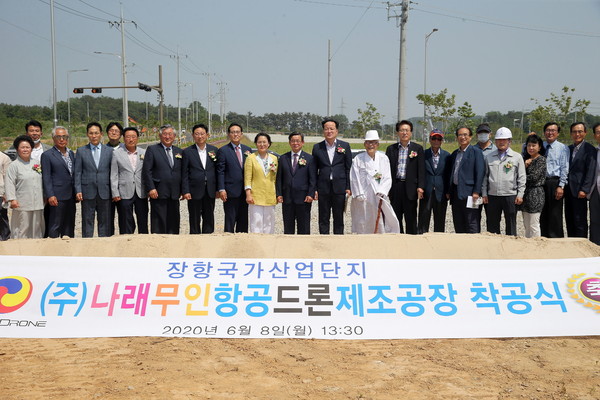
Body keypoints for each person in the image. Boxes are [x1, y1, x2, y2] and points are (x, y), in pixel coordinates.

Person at [350, 130, 400, 234]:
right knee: (363, 220)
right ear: (364, 144)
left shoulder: (383, 158)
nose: (371, 145)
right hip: (363, 196)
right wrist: (358, 193)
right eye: (368, 142)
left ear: (377, 144)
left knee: (380, 221)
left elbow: (387, 177)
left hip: (378, 195)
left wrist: (382, 190)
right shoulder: (358, 159)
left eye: (373, 142)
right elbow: (354, 178)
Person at [481, 127, 526, 236]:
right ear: (495, 141)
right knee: (492, 224)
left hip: (510, 195)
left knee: (511, 223)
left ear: (509, 141)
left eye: (504, 139)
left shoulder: (517, 157)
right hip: (493, 196)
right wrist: (484, 193)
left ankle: (511, 247)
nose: (501, 142)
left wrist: (520, 194)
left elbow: (521, 177)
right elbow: (485, 177)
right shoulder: (489, 157)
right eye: (499, 140)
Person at [312, 118, 352, 234]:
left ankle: (338, 243)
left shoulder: (345, 146)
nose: (329, 131)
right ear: (323, 131)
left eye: (331, 129)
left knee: (338, 217)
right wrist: (314, 188)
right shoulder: (317, 147)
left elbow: (348, 168)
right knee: (323, 217)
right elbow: (314, 170)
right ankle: (324, 242)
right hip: (323, 187)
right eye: (326, 129)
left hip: (339, 187)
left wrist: (348, 187)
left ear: (336, 131)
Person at [74, 122, 113, 238]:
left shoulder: (109, 151)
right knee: (87, 220)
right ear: (87, 134)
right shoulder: (81, 151)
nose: (94, 136)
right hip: (87, 191)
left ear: (101, 134)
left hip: (105, 191)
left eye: (96, 133)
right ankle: (87, 245)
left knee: (104, 221)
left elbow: (113, 172)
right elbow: (78, 172)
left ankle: (104, 245)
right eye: (91, 133)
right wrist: (78, 190)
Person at [386, 120, 425, 234]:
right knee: (395, 217)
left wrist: (420, 187)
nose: (404, 133)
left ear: (411, 133)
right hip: (396, 186)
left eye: (407, 130)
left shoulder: (417, 149)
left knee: (411, 217)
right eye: (402, 130)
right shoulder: (391, 149)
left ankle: (412, 241)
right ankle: (398, 242)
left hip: (411, 188)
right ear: (397, 133)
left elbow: (421, 170)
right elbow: (386, 169)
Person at [142, 124, 183, 234]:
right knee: (159, 222)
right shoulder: (152, 150)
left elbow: (182, 172)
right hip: (158, 192)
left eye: (170, 134)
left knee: (174, 222)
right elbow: (147, 171)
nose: (167, 137)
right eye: (165, 134)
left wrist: (183, 190)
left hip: (174, 193)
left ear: (174, 136)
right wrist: (151, 188)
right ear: (160, 136)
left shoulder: (179, 151)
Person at [445, 126, 485, 234]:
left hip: (471, 194)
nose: (463, 137)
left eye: (465, 135)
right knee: (458, 222)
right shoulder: (454, 154)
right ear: (457, 137)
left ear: (470, 137)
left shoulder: (476, 152)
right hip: (456, 193)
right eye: (460, 135)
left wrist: (476, 191)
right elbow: (452, 173)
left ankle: (473, 246)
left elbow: (480, 172)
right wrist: (449, 191)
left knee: (472, 222)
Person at [276, 132, 317, 235]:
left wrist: (310, 194)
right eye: (293, 141)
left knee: (304, 227)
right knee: (288, 227)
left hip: (303, 198)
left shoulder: (309, 158)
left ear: (302, 142)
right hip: (287, 198)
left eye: (298, 141)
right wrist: (279, 194)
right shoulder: (283, 158)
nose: (295, 143)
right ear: (289, 142)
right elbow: (279, 178)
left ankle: (303, 249)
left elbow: (313, 178)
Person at [4, 135, 44, 238]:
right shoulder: (14, 166)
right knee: (22, 228)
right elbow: (9, 183)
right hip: (22, 203)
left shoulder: (36, 163)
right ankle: (20, 250)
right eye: (22, 147)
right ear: (17, 149)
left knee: (37, 227)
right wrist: (12, 199)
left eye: (28, 147)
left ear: (31, 148)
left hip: (38, 202)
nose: (25, 150)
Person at [110, 127, 148, 235]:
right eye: (128, 137)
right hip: (124, 191)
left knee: (143, 218)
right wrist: (115, 192)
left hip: (141, 191)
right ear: (123, 138)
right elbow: (114, 174)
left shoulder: (144, 152)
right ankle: (126, 240)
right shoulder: (117, 153)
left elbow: (147, 172)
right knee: (125, 219)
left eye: (133, 137)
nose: (130, 139)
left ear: (137, 138)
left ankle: (143, 240)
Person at [40, 126, 76, 238]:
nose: (62, 139)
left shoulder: (71, 153)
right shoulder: (47, 155)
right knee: (55, 224)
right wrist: (50, 195)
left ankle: (68, 248)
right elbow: (46, 177)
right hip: (57, 195)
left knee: (69, 224)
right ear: (53, 138)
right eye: (58, 137)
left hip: (71, 195)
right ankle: (53, 248)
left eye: (64, 136)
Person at [182, 123, 218, 234]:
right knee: (194, 217)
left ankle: (208, 239)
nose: (200, 136)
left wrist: (218, 189)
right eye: (197, 134)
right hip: (194, 190)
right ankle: (194, 240)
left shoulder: (214, 150)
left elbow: (217, 171)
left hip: (210, 190)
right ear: (193, 135)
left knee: (209, 217)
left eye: (202, 134)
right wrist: (186, 190)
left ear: (207, 135)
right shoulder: (187, 152)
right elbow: (184, 173)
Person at [217, 123, 252, 233]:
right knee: (230, 220)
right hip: (230, 191)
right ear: (229, 134)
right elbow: (220, 171)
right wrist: (221, 189)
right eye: (233, 132)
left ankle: (242, 245)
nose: (235, 134)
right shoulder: (223, 150)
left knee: (243, 220)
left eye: (237, 132)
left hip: (245, 191)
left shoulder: (248, 150)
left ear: (241, 134)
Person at [565, 122, 597, 238]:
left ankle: (581, 243)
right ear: (571, 133)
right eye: (574, 132)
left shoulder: (589, 149)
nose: (577, 134)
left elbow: (591, 170)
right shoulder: (568, 149)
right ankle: (571, 244)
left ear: (585, 133)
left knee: (580, 220)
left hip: (580, 191)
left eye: (580, 131)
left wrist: (585, 189)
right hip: (568, 190)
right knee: (569, 218)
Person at [244, 133, 278, 234]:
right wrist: (248, 194)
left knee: (269, 222)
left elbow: (275, 178)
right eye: (259, 142)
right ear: (256, 144)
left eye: (264, 142)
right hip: (256, 195)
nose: (262, 144)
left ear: (269, 144)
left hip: (270, 195)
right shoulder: (251, 158)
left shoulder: (274, 158)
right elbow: (247, 178)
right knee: (256, 222)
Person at [540, 122, 569, 238]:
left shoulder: (562, 148)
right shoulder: (540, 146)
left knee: (555, 213)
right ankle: (543, 237)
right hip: (541, 183)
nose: (550, 133)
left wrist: (561, 186)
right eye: (548, 130)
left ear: (557, 133)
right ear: (544, 132)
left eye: (553, 130)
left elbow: (564, 168)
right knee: (542, 212)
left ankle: (556, 239)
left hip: (554, 182)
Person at [418, 129, 450, 233]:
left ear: (442, 140)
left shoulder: (447, 156)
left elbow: (448, 175)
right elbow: (420, 172)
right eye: (434, 138)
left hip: (441, 192)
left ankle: (438, 241)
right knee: (423, 217)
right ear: (430, 139)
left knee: (440, 219)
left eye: (439, 138)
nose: (436, 140)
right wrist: (420, 187)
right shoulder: (423, 154)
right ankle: (422, 239)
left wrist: (448, 191)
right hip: (426, 191)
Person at [520, 134, 546, 238]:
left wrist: (522, 175)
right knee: (526, 224)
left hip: (536, 193)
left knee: (534, 224)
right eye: (529, 145)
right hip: (526, 194)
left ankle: (536, 247)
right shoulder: (526, 160)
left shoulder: (541, 160)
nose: (531, 148)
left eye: (534, 145)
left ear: (539, 147)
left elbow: (533, 177)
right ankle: (527, 245)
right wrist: (525, 165)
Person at [105, 121, 124, 236]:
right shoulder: (102, 149)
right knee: (107, 218)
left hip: (122, 190)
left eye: (116, 131)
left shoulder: (125, 148)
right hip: (106, 190)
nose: (114, 133)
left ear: (121, 134)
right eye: (111, 130)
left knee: (124, 217)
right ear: (107, 133)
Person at [589, 122, 600, 245]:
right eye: (598, 132)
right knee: (595, 220)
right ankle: (595, 247)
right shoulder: (594, 151)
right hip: (595, 189)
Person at [0, 150, 11, 240]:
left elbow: (7, 177)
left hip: (0, 193)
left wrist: (6, 193)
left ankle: (5, 239)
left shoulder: (4, 157)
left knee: (2, 217)